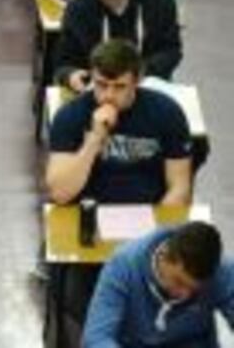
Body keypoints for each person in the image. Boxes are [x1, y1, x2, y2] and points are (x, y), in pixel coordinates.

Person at [46, 39, 193, 207]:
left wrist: (156, 229)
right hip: (89, 211)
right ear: (92, 77)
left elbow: (180, 188)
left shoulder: (167, 112)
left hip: (148, 211)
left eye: (119, 87)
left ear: (137, 81)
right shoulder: (70, 116)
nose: (109, 95)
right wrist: (94, 140)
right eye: (101, 85)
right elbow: (59, 194)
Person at [84, 221, 234, 348]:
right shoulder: (123, 266)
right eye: (179, 281)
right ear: (163, 256)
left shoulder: (222, 270)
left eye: (194, 288)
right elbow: (96, 339)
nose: (185, 294)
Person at [55, 0, 182, 94]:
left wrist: (141, 72)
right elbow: (63, 61)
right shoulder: (79, 7)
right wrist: (70, 75)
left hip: (147, 87)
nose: (115, 3)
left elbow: (171, 50)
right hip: (98, 91)